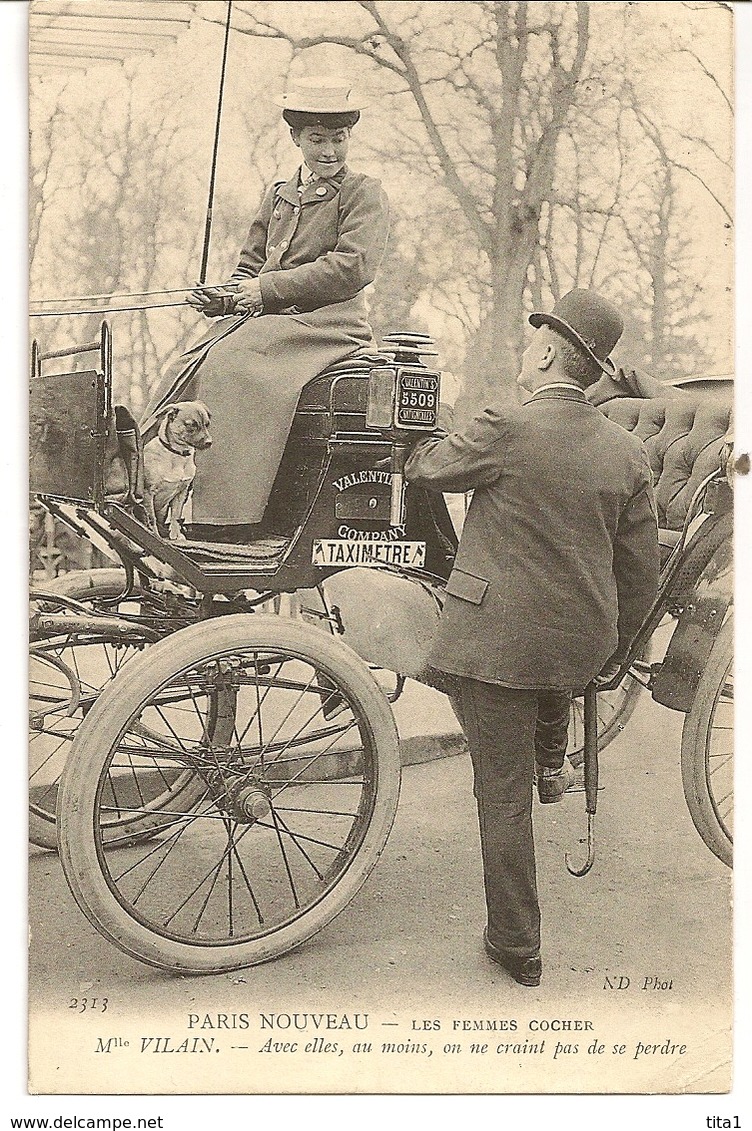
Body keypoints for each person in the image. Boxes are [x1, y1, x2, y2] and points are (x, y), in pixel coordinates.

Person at [404, 289, 660, 987]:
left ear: (546, 350)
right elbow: (640, 576)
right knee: (545, 683)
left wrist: (437, 417)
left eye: (533, 340)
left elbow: (424, 466)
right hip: (577, 646)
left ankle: (518, 943)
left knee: (501, 791)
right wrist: (610, 653)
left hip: (496, 648)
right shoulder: (630, 453)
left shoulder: (504, 427)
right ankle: (554, 752)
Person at [143, 78, 389, 540]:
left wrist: (265, 291)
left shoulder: (363, 191)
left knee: (234, 361)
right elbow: (250, 267)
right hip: (274, 318)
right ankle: (147, 463)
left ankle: (224, 517)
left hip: (329, 324)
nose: (330, 151)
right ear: (297, 139)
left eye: (339, 139)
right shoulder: (279, 194)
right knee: (189, 358)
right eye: (318, 140)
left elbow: (352, 267)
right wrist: (226, 298)